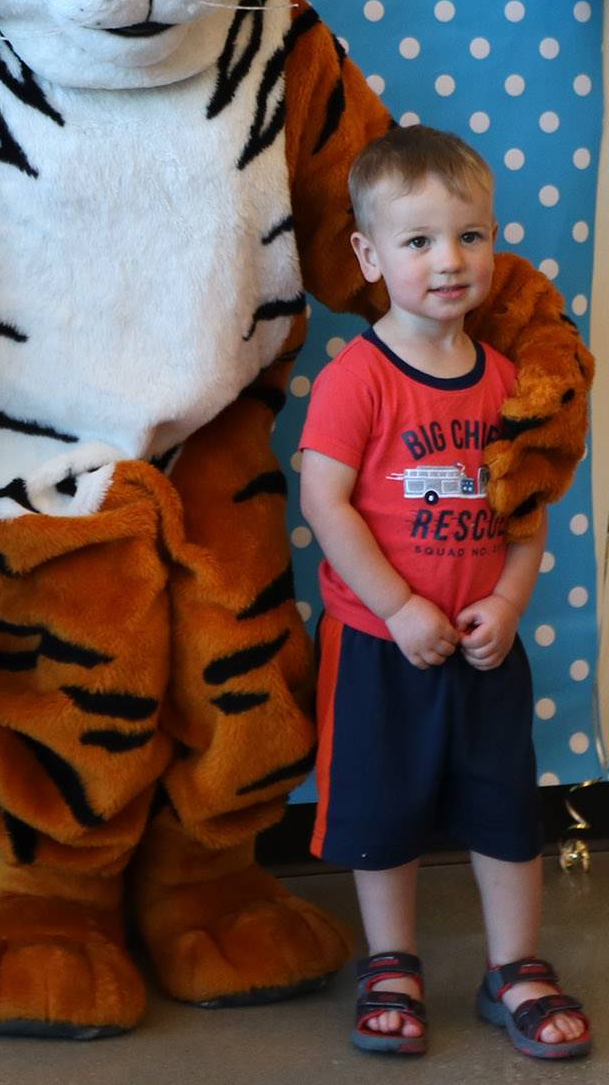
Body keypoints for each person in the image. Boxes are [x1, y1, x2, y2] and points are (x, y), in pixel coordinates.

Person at [298, 123, 590, 1062]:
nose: (450, 260)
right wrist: (397, 607)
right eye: (418, 241)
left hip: (483, 647)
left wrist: (505, 606)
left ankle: (516, 967)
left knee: (506, 809)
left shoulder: (508, 383)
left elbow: (528, 514)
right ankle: (392, 960)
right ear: (368, 255)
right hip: (378, 649)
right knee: (382, 814)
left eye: (471, 235)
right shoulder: (358, 378)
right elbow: (325, 501)